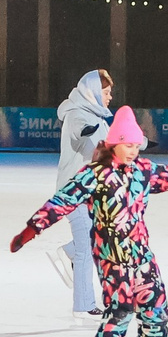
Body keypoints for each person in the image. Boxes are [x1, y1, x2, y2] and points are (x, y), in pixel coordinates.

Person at [14, 108, 168, 337]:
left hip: (141, 255)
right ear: (114, 144)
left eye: (136, 145)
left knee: (156, 306)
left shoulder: (143, 171)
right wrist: (33, 228)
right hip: (112, 256)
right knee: (120, 309)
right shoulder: (96, 174)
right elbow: (64, 199)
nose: (133, 151)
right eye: (128, 145)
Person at [55, 70, 115, 316]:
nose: (110, 97)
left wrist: (141, 142)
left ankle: (68, 250)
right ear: (93, 92)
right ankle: (84, 305)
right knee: (86, 249)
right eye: (107, 92)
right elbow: (78, 128)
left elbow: (116, 142)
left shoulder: (99, 117)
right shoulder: (76, 115)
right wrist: (85, 130)